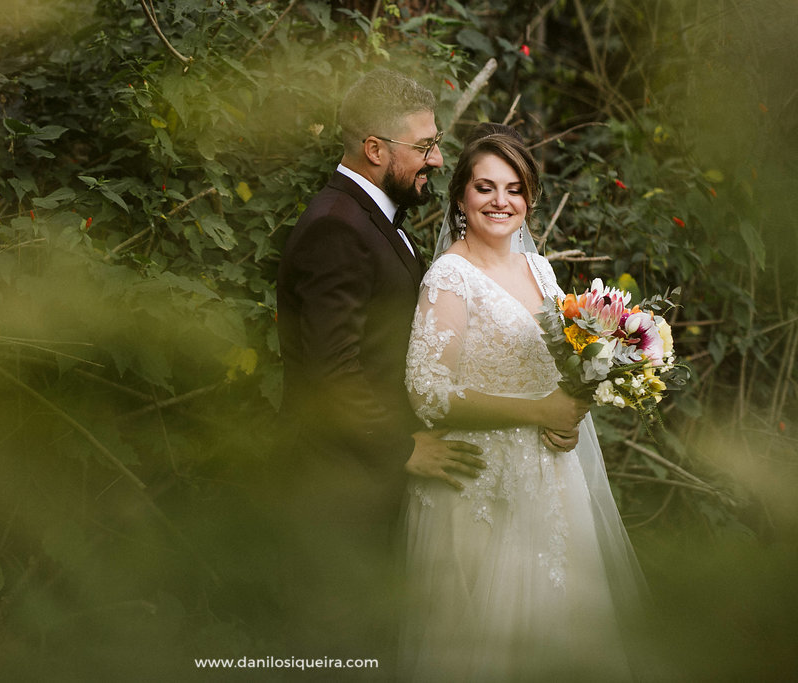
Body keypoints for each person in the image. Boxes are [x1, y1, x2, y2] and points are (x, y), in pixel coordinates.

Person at [400, 123, 648, 681]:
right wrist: (540, 412)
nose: (500, 201)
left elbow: (564, 362)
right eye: (485, 187)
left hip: (551, 476)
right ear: (461, 196)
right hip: (482, 479)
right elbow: (428, 392)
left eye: (513, 188)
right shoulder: (449, 277)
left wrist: (574, 407)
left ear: (530, 198)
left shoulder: (539, 268)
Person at [274, 69, 485, 664]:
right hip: (336, 492)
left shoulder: (368, 218)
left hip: (367, 487)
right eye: (423, 146)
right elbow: (331, 374)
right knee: (335, 655)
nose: (438, 159)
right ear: (374, 149)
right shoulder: (336, 229)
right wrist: (403, 449)